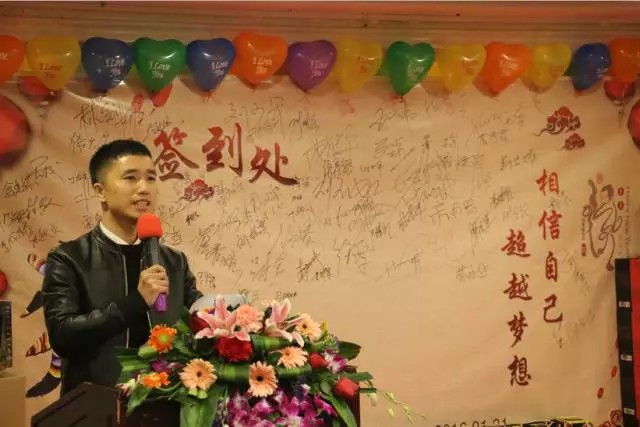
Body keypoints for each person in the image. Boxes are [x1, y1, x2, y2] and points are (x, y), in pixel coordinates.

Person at [42, 139, 202, 395]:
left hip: (167, 402)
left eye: (151, 178)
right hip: (95, 404)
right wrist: (135, 302)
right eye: (131, 178)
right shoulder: (69, 259)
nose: (144, 188)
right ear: (100, 191)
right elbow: (63, 335)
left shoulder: (174, 261)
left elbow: (198, 320)